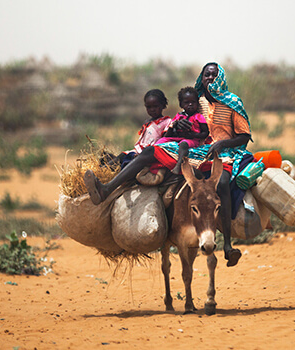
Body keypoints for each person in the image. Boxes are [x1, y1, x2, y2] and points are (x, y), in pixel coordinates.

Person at [84, 62, 251, 267]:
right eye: (206, 75)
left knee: (223, 183)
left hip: (227, 153)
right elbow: (190, 122)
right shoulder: (198, 101)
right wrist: (177, 128)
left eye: (214, 75)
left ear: (221, 78)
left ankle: (227, 245)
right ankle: (106, 189)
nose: (209, 79)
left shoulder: (233, 102)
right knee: (151, 152)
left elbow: (244, 137)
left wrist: (224, 143)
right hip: (198, 150)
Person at [154, 86, 209, 174]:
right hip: (177, 138)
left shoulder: (199, 117)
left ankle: (178, 164)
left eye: (193, 102)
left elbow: (205, 133)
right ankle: (154, 156)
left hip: (192, 140)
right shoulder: (179, 116)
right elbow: (170, 132)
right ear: (181, 104)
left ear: (197, 104)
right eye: (187, 102)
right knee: (161, 140)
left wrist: (193, 135)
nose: (190, 104)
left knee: (184, 144)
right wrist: (174, 125)